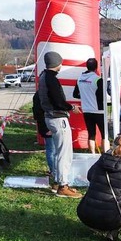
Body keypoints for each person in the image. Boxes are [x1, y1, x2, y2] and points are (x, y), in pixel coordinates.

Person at [76, 134, 121, 240]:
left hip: (85, 214)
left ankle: (106, 227)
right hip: (111, 219)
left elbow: (90, 176)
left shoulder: (101, 161)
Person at [38, 50, 82, 198]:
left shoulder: (43, 76)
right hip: (58, 118)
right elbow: (58, 101)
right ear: (57, 63)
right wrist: (72, 107)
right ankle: (63, 186)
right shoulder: (51, 79)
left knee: (58, 152)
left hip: (49, 117)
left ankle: (57, 182)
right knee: (64, 153)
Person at [73, 57, 105, 154]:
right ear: (96, 68)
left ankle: (92, 154)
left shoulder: (80, 79)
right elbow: (102, 96)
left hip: (87, 110)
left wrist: (85, 96)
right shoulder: (98, 79)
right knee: (104, 134)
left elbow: (75, 94)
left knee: (91, 134)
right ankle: (105, 154)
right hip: (99, 111)